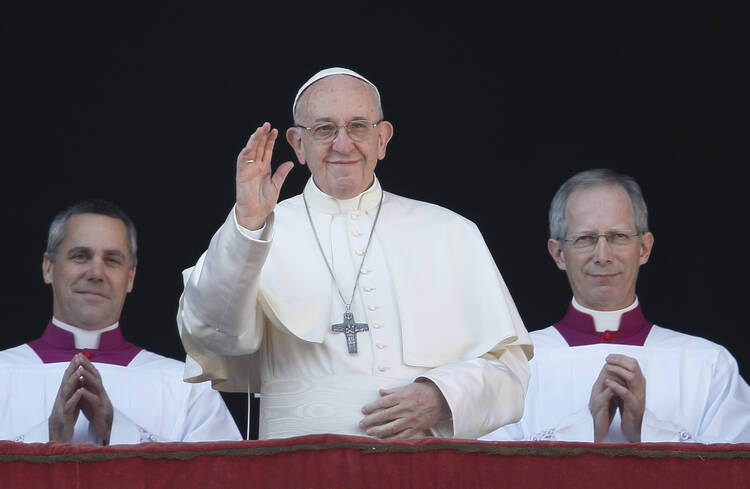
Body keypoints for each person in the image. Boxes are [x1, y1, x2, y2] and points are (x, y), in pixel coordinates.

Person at [177, 67, 532, 440]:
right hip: (295, 469)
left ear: (382, 139)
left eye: (358, 126)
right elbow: (215, 336)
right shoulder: (254, 231)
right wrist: (248, 223)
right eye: (324, 129)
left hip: (420, 469)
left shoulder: (451, 233)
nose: (342, 144)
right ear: (298, 144)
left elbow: (509, 370)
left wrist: (442, 396)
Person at [482, 168, 750, 443]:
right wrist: (585, 429)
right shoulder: (514, 366)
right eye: (585, 238)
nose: (603, 255)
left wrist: (645, 430)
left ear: (644, 248)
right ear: (559, 253)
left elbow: (736, 473)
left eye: (618, 237)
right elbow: (486, 474)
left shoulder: (708, 364)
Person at [0, 200, 242, 445]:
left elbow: (219, 476)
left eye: (112, 260)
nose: (96, 273)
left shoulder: (187, 387)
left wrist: (117, 430)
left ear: (130, 277)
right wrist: (47, 439)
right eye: (80, 256)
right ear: (48, 267)